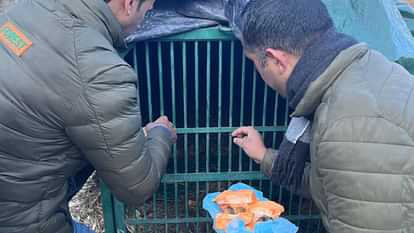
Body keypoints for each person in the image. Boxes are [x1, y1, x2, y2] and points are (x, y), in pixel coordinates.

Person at [231, 0, 414, 232]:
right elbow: (334, 184)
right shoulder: (364, 72)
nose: (259, 74)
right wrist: (265, 156)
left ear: (276, 60)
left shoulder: (350, 125)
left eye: (256, 64)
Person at [0, 0, 177, 232]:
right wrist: (160, 134)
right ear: (130, 4)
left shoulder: (21, 11)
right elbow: (135, 187)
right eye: (149, 10)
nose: (147, 18)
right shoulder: (98, 70)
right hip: (23, 222)